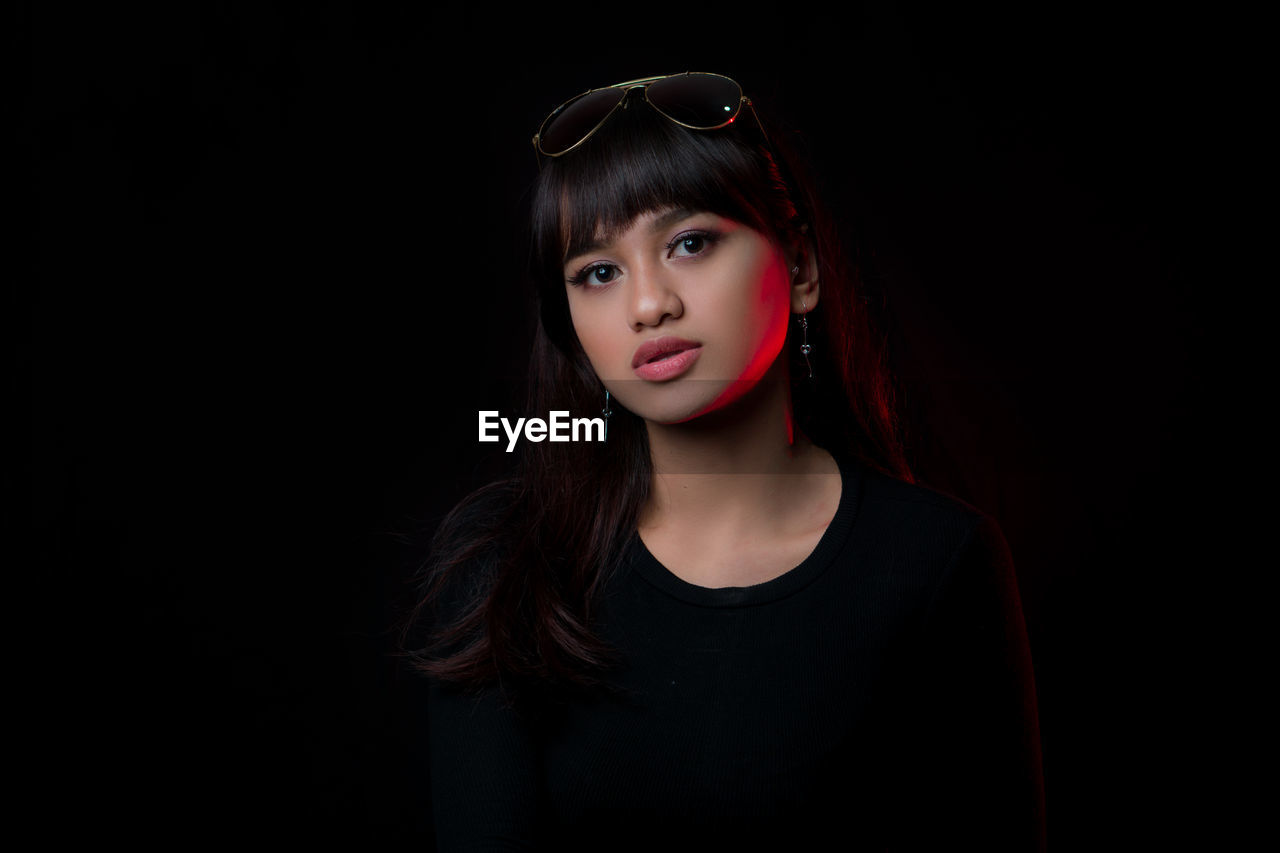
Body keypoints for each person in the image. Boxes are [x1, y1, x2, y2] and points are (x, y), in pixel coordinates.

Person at [404, 72, 1046, 850]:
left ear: (801, 268)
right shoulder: (504, 566)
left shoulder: (938, 564)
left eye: (689, 242)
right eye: (598, 272)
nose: (649, 305)